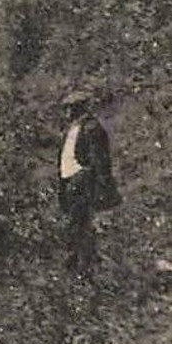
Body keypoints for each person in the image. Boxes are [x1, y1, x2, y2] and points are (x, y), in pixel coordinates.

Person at [57, 89, 121, 274]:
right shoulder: (72, 130)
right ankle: (79, 264)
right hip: (70, 182)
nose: (67, 113)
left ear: (79, 109)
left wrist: (101, 186)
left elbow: (100, 161)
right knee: (75, 224)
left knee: (80, 225)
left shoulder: (91, 129)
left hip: (82, 181)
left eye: (70, 108)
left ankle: (84, 267)